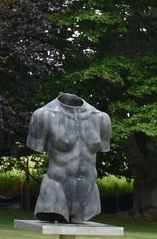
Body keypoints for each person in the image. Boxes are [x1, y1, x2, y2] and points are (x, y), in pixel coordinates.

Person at [27, 91, 112, 223]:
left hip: (89, 195)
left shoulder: (101, 118)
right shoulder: (44, 116)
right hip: (55, 190)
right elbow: (35, 146)